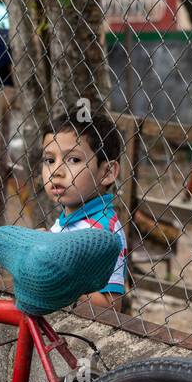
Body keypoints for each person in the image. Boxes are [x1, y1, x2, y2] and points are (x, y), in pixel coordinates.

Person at [41, 112, 128, 308]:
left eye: (73, 160)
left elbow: (110, 307)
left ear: (106, 173)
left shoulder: (103, 233)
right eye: (49, 160)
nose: (56, 171)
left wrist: (59, 277)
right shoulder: (68, 220)